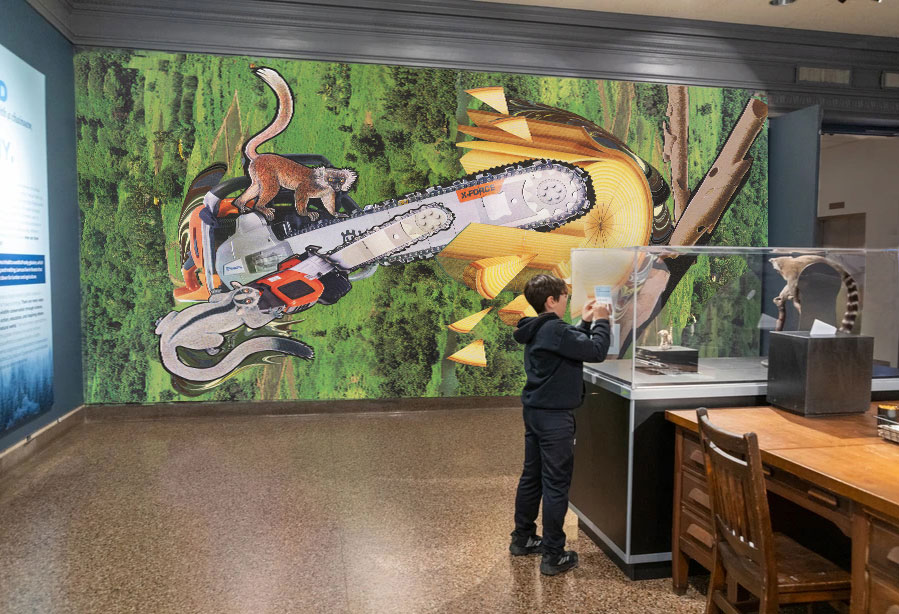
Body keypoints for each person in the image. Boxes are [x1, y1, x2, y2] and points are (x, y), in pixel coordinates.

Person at [508, 274, 611, 576]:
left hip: (536, 413)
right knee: (555, 484)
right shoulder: (555, 330)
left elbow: (569, 343)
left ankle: (523, 538)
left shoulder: (540, 328)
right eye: (564, 296)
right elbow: (596, 351)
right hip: (555, 420)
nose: (567, 301)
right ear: (551, 300)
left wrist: (588, 323)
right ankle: (554, 555)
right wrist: (603, 320)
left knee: (532, 477)